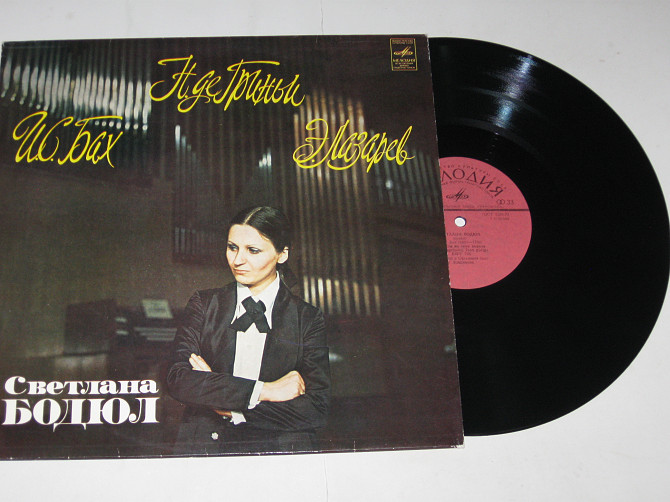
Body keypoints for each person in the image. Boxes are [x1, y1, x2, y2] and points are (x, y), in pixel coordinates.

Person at [166, 206, 331, 454]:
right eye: (232, 247)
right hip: (206, 450)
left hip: (279, 455)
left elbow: (316, 409)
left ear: (282, 254)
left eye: (253, 250)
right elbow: (179, 379)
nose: (237, 260)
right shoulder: (204, 304)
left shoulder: (307, 318)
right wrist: (266, 390)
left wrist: (231, 407)